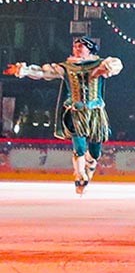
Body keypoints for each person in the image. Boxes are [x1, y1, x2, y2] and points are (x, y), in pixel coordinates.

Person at [7, 36, 125, 194]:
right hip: (75, 111)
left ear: (89, 49)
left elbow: (117, 65)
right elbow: (43, 72)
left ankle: (89, 166)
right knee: (79, 146)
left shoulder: (100, 63)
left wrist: (103, 70)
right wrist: (23, 70)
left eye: (80, 46)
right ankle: (79, 174)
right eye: (75, 46)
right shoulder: (67, 67)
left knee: (95, 151)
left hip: (95, 112)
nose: (77, 49)